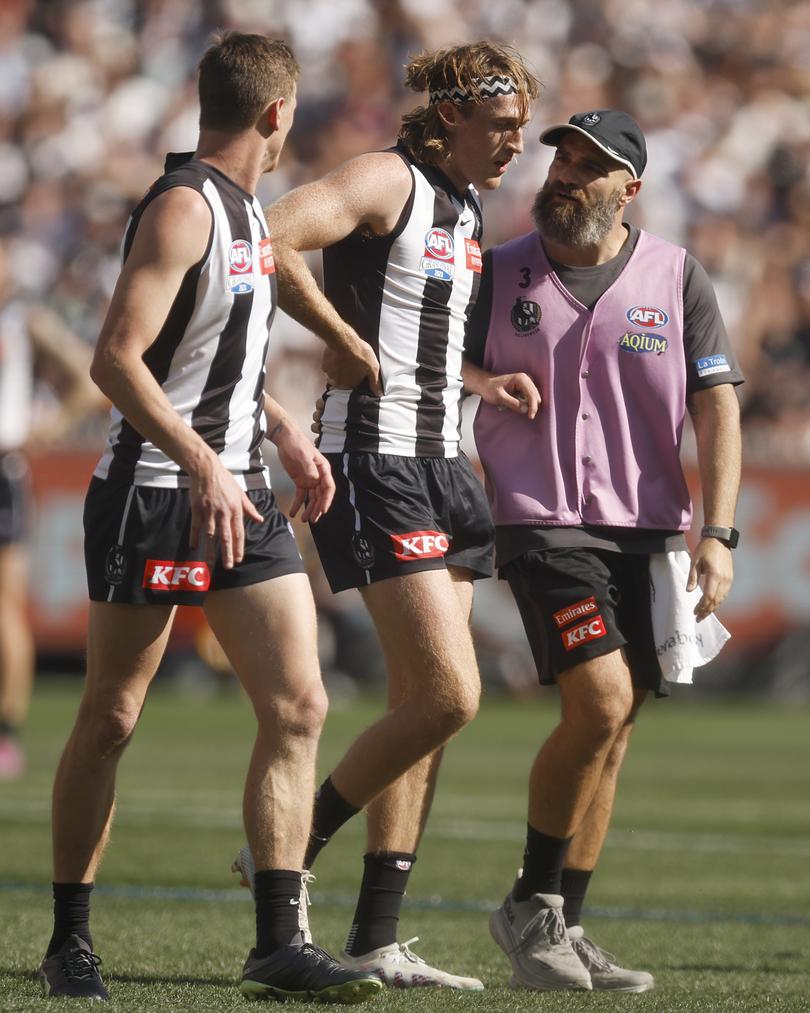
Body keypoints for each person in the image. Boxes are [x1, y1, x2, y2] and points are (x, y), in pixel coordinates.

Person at [36, 32, 383, 1005]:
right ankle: (69, 939)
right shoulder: (187, 208)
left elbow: (213, 351)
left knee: (300, 703)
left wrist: (279, 431)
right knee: (111, 716)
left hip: (239, 490)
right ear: (277, 115)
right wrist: (198, 458)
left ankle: (278, 939)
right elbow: (117, 358)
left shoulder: (247, 217)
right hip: (156, 488)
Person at [233, 41, 541, 990]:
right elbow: (267, 235)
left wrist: (484, 385)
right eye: (501, 127)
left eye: (522, 130)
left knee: (428, 709)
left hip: (446, 458)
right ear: (450, 115)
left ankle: (376, 934)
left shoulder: (469, 203)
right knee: (452, 692)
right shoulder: (385, 178)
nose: (514, 146)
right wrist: (334, 336)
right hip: (376, 461)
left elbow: (419, 334)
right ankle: (291, 846)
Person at [464, 109, 743, 992]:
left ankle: (564, 927)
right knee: (601, 698)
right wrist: (481, 382)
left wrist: (719, 532)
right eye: (562, 160)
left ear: (630, 189)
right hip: (541, 519)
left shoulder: (677, 274)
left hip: (650, 526)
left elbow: (717, 405)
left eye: (589, 166)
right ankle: (529, 906)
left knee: (614, 730)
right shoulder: (498, 269)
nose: (564, 175)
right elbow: (436, 365)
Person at [0, 241, 102, 781]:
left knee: (6, 606)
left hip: (3, 472)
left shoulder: (21, 319)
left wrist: (47, 431)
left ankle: (7, 732)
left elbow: (88, 381)